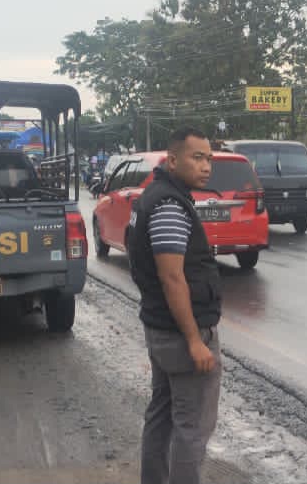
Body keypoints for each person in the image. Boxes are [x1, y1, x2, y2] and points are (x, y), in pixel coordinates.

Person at [126, 127, 222, 484]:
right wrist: (195, 340)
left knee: (162, 415)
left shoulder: (154, 195)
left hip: (161, 330)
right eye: (197, 158)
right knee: (191, 428)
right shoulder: (168, 204)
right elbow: (172, 278)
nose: (206, 166)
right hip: (181, 336)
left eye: (209, 158)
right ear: (173, 159)